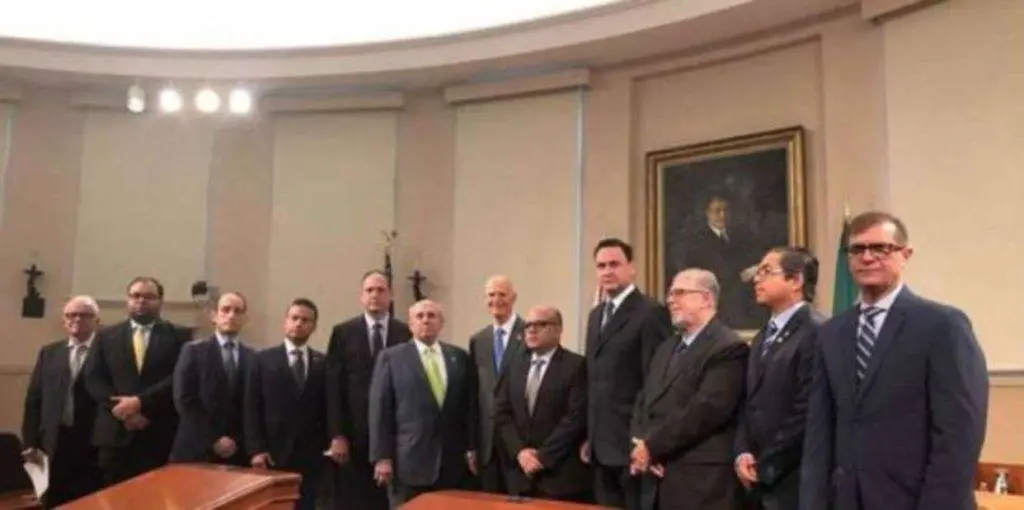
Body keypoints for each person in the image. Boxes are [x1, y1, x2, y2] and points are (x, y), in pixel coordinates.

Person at [801, 211, 988, 510]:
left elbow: (959, 434)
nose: (867, 257)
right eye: (857, 249)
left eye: (880, 248)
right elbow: (819, 432)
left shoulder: (942, 325)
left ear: (905, 255)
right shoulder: (831, 333)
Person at [630, 268, 749, 510]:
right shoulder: (666, 347)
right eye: (670, 294)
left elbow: (706, 410)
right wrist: (640, 444)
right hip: (656, 476)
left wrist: (653, 447)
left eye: (680, 293)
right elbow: (644, 400)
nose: (670, 300)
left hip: (700, 481)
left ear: (706, 298)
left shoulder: (728, 347)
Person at [584, 238, 672, 510]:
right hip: (599, 446)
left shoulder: (650, 312)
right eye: (601, 266)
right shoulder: (596, 315)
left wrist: (646, 440)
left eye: (614, 264)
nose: (607, 271)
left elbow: (655, 382)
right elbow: (594, 379)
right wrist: (589, 435)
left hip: (632, 444)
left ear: (631, 268)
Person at [734, 247, 825, 510]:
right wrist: (742, 452)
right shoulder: (762, 336)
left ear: (795, 280)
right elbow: (748, 401)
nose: (756, 278)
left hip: (793, 480)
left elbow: (807, 410)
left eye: (766, 271)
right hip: (756, 480)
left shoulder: (816, 331)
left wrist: (767, 465)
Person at [368, 300, 478, 509]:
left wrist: (471, 447)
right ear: (410, 324)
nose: (426, 320)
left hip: (451, 463)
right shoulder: (391, 358)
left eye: (431, 316)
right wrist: (382, 457)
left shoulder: (459, 356)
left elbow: (469, 407)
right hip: (409, 462)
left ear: (441, 323)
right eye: (420, 316)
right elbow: (380, 411)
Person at [84, 277, 192, 484]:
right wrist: (122, 410)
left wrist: (141, 403)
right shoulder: (105, 336)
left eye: (149, 296)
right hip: (115, 433)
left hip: (158, 430)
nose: (141, 301)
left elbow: (179, 377)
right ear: (128, 300)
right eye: (136, 296)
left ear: (161, 301)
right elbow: (94, 378)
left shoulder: (180, 336)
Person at [326, 271, 411, 510]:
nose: (375, 295)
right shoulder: (343, 332)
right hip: (353, 435)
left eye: (381, 290)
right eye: (369, 290)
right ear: (361, 296)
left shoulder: (404, 333)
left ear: (390, 296)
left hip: (393, 435)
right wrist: (337, 434)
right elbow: (333, 388)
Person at [494, 305, 589, 502]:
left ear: (558, 329)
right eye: (528, 325)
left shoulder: (576, 365)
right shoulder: (514, 366)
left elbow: (575, 418)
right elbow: (502, 413)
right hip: (519, 475)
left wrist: (542, 457)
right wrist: (520, 452)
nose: (531, 330)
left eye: (540, 324)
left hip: (559, 475)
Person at [245, 298, 331, 510]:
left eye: (305, 320)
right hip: (273, 453)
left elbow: (328, 407)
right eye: (294, 318)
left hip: (310, 455)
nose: (299, 323)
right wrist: (256, 449)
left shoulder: (322, 362)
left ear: (313, 326)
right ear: (285, 322)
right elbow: (251, 407)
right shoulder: (262, 360)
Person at [21, 296, 104, 507]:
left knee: (89, 502)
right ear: (64, 320)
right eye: (71, 315)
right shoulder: (49, 353)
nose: (77, 319)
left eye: (84, 315)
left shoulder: (107, 352)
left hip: (94, 442)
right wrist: (30, 441)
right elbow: (34, 400)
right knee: (53, 500)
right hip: (54, 442)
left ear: (97, 320)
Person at [170, 291, 254, 466]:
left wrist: (235, 439)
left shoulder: (252, 357)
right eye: (226, 310)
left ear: (245, 318)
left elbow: (251, 406)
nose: (231, 315)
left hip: (236, 452)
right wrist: (213, 439)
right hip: (197, 449)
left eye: (237, 311)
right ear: (214, 315)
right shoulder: (193, 352)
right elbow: (184, 400)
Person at [468, 275, 525, 494]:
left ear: (514, 298)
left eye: (502, 294)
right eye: (491, 295)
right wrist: (472, 444)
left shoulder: (529, 333)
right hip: (487, 442)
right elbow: (474, 394)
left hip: (519, 439)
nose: (496, 300)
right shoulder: (478, 340)